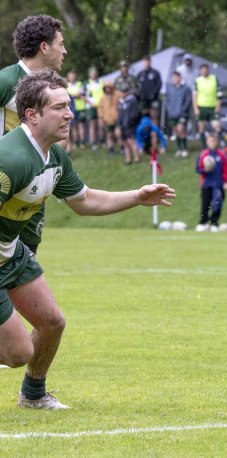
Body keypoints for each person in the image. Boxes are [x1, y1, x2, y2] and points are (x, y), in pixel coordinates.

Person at [0, 68, 175, 409]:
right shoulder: (12, 159)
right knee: (18, 352)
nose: (70, 114)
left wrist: (137, 197)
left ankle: (33, 395)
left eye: (69, 106)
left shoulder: (54, 155)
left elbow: (84, 201)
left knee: (52, 323)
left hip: (10, 253)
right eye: (59, 107)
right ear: (32, 115)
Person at [0, 15, 67, 256]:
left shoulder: (51, 88)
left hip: (34, 187)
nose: (65, 51)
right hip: (7, 186)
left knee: (26, 264)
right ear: (44, 47)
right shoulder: (7, 80)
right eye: (61, 44)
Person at [196, 133, 227, 232]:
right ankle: (203, 222)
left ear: (217, 142)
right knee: (205, 203)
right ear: (207, 142)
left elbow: (226, 170)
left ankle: (214, 223)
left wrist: (226, 182)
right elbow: (197, 169)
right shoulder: (203, 154)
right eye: (210, 141)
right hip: (206, 183)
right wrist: (205, 170)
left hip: (218, 184)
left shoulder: (222, 155)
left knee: (218, 204)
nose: (212, 143)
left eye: (214, 141)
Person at [193, 63, 221, 149]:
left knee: (217, 126)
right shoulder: (197, 80)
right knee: (201, 128)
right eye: (203, 70)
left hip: (212, 107)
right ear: (200, 71)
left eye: (206, 69)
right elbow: (194, 95)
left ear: (208, 70)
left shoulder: (214, 78)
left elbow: (219, 94)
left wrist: (218, 106)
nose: (204, 71)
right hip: (201, 107)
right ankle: (204, 147)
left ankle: (220, 146)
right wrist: (196, 108)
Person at [166, 71, 192, 157]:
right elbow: (168, 101)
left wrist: (182, 110)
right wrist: (169, 110)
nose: (174, 79)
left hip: (182, 114)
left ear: (180, 78)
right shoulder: (170, 88)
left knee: (181, 129)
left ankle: (184, 148)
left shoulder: (186, 89)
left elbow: (188, 101)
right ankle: (179, 149)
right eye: (173, 77)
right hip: (172, 114)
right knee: (176, 131)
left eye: (176, 77)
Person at [116, 83, 141, 164]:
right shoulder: (121, 101)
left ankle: (137, 158)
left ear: (128, 91)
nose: (123, 93)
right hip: (123, 125)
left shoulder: (132, 100)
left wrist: (130, 122)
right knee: (125, 142)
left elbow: (135, 114)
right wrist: (119, 123)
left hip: (130, 125)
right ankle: (128, 159)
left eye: (125, 91)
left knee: (131, 141)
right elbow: (120, 113)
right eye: (122, 91)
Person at [97, 81, 121, 156]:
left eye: (109, 87)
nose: (108, 89)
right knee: (109, 135)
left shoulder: (118, 95)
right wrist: (101, 117)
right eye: (106, 88)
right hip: (107, 120)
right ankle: (111, 150)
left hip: (117, 118)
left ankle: (122, 147)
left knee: (118, 134)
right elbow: (100, 108)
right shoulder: (102, 98)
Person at [137, 55, 162, 125]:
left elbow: (159, 85)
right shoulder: (140, 74)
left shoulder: (155, 73)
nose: (146, 63)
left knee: (154, 117)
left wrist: (153, 93)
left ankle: (154, 134)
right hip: (143, 99)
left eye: (147, 61)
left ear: (150, 62)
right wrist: (140, 94)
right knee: (144, 117)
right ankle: (146, 135)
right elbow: (137, 85)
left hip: (153, 99)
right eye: (145, 62)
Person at [65, 69, 86, 149]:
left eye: (73, 76)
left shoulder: (80, 84)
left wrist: (72, 95)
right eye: (70, 76)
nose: (71, 77)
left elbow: (81, 94)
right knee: (73, 127)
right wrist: (75, 95)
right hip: (71, 109)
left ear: (75, 76)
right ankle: (75, 143)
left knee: (81, 126)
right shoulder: (66, 85)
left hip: (80, 108)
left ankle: (82, 142)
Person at [85, 67, 104, 148]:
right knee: (93, 125)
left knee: (101, 124)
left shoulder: (101, 82)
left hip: (100, 106)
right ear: (89, 74)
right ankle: (94, 143)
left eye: (95, 73)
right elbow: (82, 95)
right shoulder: (86, 83)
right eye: (92, 73)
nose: (94, 74)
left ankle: (102, 141)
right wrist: (89, 102)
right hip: (91, 107)